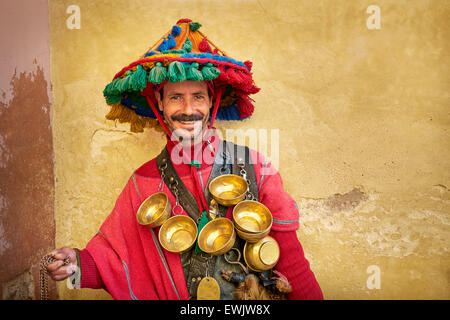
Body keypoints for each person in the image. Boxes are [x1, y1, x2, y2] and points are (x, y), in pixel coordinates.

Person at [46, 19, 323, 300]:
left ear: (212, 102)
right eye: (176, 97)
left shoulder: (255, 168)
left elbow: (293, 267)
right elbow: (114, 260)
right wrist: (76, 263)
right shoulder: (142, 182)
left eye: (198, 96)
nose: (188, 109)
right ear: (160, 104)